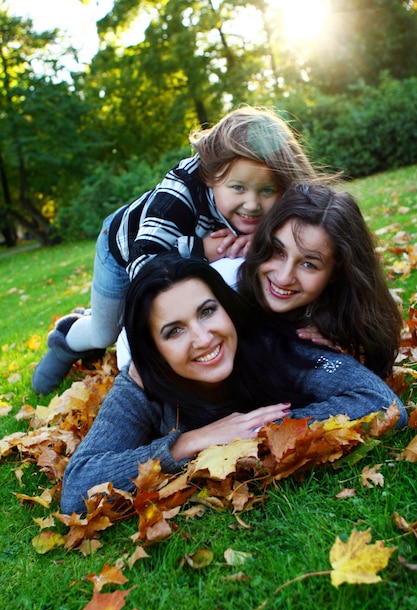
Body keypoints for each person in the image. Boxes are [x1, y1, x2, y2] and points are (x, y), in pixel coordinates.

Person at [60, 253, 407, 514]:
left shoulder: (273, 346)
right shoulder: (140, 384)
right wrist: (189, 443)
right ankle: (69, 335)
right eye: (174, 330)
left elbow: (381, 402)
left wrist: (263, 429)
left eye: (207, 311)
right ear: (155, 351)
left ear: (227, 309)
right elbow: (76, 489)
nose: (203, 338)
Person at [32, 105, 324, 396]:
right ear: (210, 175)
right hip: (124, 251)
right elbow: (145, 264)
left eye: (267, 191)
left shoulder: (276, 204)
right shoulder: (178, 194)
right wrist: (200, 250)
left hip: (178, 258)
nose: (251, 204)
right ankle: (66, 336)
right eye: (237, 188)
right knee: (104, 332)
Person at [237, 183, 404, 379]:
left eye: (309, 264)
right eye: (278, 251)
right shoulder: (227, 290)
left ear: (336, 273)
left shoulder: (341, 316)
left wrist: (339, 348)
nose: (284, 277)